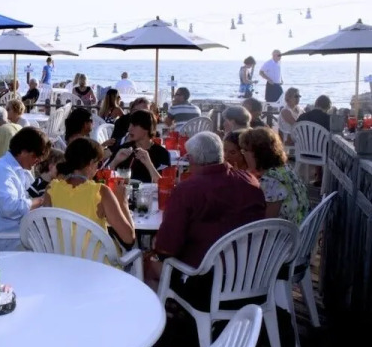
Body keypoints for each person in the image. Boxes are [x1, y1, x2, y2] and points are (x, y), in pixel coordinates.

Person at [144, 132, 266, 293]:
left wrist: (156, 243)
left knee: (145, 264)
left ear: (192, 159)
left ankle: (166, 307)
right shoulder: (250, 181)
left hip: (204, 279)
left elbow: (166, 247)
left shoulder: (187, 190)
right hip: (250, 275)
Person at [45, 137, 136, 250]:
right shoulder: (100, 192)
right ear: (91, 163)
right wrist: (123, 202)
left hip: (61, 257)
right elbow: (129, 238)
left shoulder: (51, 188)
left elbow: (47, 227)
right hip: (95, 259)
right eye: (98, 163)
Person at [0, 127, 51, 249]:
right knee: (55, 242)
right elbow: (9, 208)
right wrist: (41, 200)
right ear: (23, 151)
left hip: (10, 229)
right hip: (6, 239)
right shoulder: (2, 172)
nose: (38, 161)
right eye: (35, 156)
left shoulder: (13, 167)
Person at [239, 127, 310, 226]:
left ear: (259, 153)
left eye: (245, 150)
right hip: (301, 227)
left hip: (286, 233)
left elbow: (267, 223)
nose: (243, 155)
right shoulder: (284, 169)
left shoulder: (271, 181)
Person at [108, 110, 170, 183]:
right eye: (129, 125)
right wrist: (115, 161)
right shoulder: (124, 150)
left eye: (134, 126)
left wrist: (149, 164)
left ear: (147, 128)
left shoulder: (162, 153)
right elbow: (103, 179)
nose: (129, 129)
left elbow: (164, 185)